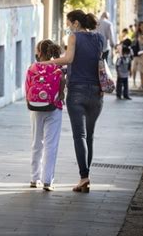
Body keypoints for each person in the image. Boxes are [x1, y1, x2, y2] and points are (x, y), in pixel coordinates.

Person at [42, 10, 104, 193]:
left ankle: (84, 177)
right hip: (96, 92)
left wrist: (45, 64)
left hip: (77, 91)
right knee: (90, 136)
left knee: (80, 136)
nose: (68, 27)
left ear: (76, 23)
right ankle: (85, 177)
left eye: (69, 23)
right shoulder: (99, 38)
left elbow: (69, 59)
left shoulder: (74, 37)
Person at [26, 40, 65, 192]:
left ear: (40, 53)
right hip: (54, 107)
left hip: (35, 109)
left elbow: (27, 87)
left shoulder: (32, 68)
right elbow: (63, 85)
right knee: (51, 144)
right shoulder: (57, 68)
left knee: (36, 143)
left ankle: (34, 178)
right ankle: (47, 180)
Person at [131, 21, 143, 89]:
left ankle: (141, 84)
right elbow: (132, 39)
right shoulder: (137, 34)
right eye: (140, 26)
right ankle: (134, 82)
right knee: (134, 69)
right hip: (136, 54)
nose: (141, 27)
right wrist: (136, 31)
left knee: (142, 70)